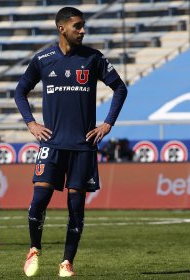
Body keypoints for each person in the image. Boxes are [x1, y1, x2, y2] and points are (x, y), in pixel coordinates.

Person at [14, 7, 127, 277]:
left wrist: (108, 123)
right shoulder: (43, 59)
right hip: (51, 145)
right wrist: (30, 122)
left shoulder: (94, 58)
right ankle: (34, 249)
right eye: (77, 26)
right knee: (39, 198)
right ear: (61, 28)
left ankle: (67, 262)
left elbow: (120, 88)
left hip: (83, 146)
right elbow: (20, 91)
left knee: (76, 207)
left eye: (84, 25)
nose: (83, 30)